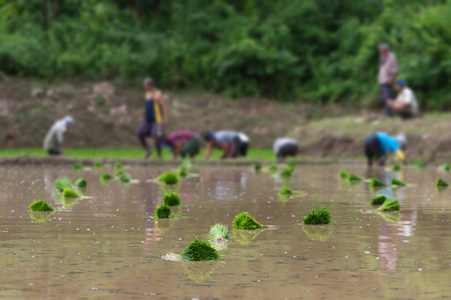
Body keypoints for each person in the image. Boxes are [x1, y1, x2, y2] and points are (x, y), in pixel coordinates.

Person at [137, 77, 168, 159]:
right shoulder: (146, 94)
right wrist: (144, 113)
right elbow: (146, 106)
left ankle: (159, 156)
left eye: (145, 85)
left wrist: (165, 118)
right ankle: (148, 151)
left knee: (156, 136)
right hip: (147, 119)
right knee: (140, 133)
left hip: (156, 119)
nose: (144, 87)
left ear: (150, 85)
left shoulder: (157, 93)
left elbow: (163, 106)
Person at [378, 43, 399, 117]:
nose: (380, 50)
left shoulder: (391, 57)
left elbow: (395, 70)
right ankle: (387, 114)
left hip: (388, 80)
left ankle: (389, 115)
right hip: (383, 80)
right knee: (385, 98)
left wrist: (391, 79)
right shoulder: (383, 56)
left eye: (381, 49)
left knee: (388, 99)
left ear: (385, 49)